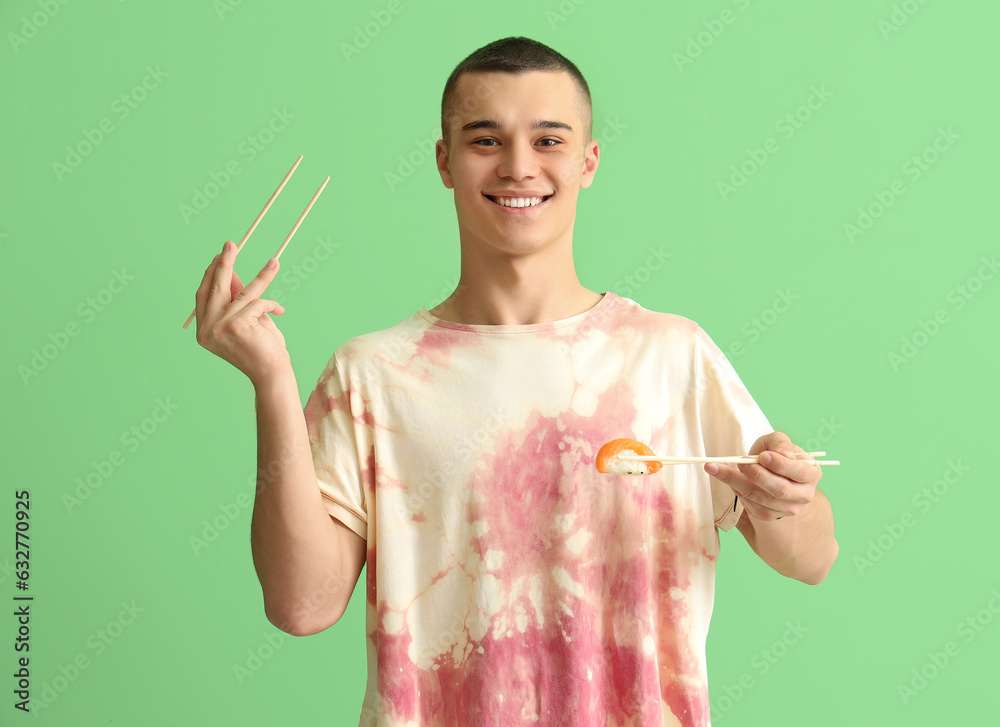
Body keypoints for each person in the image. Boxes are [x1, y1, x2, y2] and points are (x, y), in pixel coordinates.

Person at [194, 36, 838, 727]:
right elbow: (302, 603)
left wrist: (782, 499)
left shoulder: (669, 355)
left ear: (588, 161)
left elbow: (813, 557)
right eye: (485, 140)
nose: (519, 166)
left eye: (549, 140)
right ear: (444, 161)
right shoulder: (373, 375)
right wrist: (270, 378)